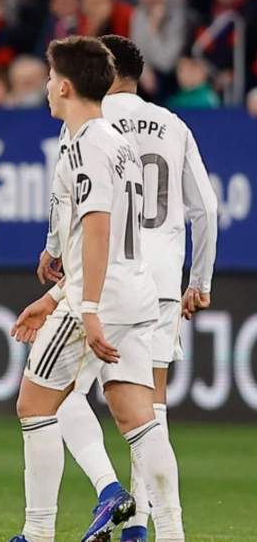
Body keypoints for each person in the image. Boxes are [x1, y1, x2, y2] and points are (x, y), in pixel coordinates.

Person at [35, 34, 217, 542]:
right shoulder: (173, 124)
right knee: (147, 409)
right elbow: (206, 208)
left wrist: (53, 256)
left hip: (103, 276)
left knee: (57, 396)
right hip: (157, 282)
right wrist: (199, 281)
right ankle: (154, 528)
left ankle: (104, 492)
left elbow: (70, 205)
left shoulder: (88, 123)